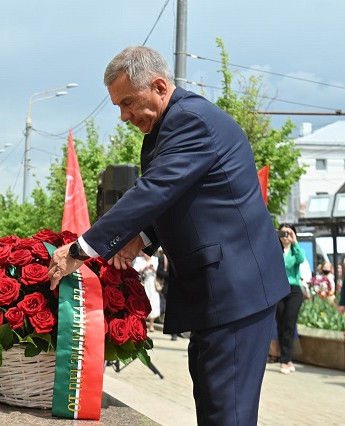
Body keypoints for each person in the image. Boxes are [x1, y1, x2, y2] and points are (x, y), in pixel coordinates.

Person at [48, 45, 289, 425]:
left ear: (159, 86)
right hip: (222, 293)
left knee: (229, 413)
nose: (124, 116)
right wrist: (140, 238)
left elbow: (155, 190)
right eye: (118, 107)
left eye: (128, 102)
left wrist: (82, 247)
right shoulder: (170, 126)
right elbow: (181, 198)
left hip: (235, 291)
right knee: (215, 405)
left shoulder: (189, 120)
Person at [275, 223, 305, 375]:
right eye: (283, 233)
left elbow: (301, 259)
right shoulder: (274, 250)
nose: (285, 236)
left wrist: (295, 242)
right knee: (281, 323)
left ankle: (286, 359)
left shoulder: (295, 250)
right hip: (279, 289)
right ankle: (284, 358)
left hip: (294, 290)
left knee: (289, 324)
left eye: (289, 233)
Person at [132, 251, 160, 332]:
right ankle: (142, 323)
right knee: (142, 303)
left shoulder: (155, 259)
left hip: (153, 283)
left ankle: (151, 324)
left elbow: (159, 271)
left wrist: (152, 268)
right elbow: (135, 271)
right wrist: (145, 268)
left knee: (153, 302)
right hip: (143, 282)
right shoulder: (139, 260)